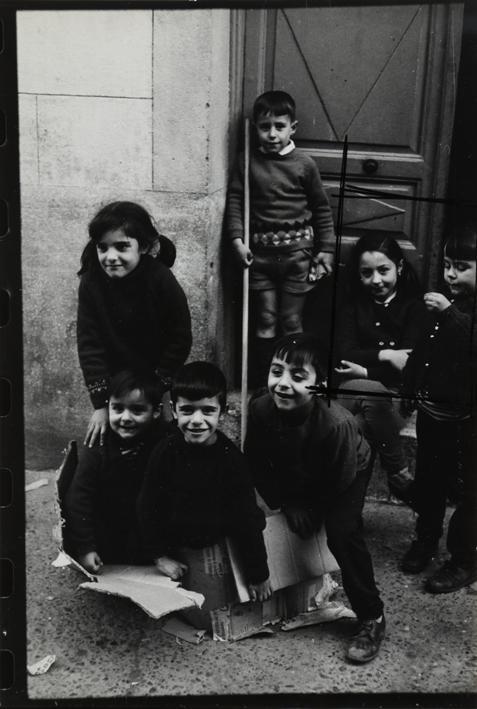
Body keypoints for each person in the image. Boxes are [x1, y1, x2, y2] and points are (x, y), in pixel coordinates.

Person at [245, 334, 385, 663]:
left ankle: (372, 617)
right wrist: (286, 503)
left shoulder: (337, 425)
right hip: (301, 465)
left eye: (297, 376)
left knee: (341, 531)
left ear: (320, 385)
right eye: (276, 371)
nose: (282, 383)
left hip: (348, 469)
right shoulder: (261, 406)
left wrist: (313, 509)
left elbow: (339, 479)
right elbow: (255, 462)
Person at [137, 361, 271, 603]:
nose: (197, 420)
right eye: (187, 410)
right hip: (176, 541)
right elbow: (147, 505)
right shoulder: (165, 450)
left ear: (222, 410)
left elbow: (247, 520)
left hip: (216, 537)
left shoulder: (231, 460)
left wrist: (258, 574)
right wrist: (159, 557)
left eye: (207, 410)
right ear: (174, 410)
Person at [226, 90, 336, 383]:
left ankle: (296, 377)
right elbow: (235, 200)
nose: (272, 134)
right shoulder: (246, 161)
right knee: (265, 318)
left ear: (293, 128)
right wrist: (237, 240)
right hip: (259, 256)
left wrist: (326, 249)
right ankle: (265, 383)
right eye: (265, 127)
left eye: (279, 126)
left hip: (296, 256)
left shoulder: (304, 163)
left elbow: (321, 208)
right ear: (255, 129)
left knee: (290, 320)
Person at [400, 222, 477, 591]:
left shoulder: (457, 310)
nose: (450, 273)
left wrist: (447, 313)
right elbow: (423, 352)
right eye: (447, 264)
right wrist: (409, 387)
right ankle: (425, 539)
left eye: (462, 266)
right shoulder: (442, 306)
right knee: (430, 482)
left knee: (469, 492)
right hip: (434, 414)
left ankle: (464, 559)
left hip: (467, 422)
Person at [77, 201, 192, 447]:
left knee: (161, 442)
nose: (110, 257)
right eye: (102, 247)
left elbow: (179, 336)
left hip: (155, 378)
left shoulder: (160, 279)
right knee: (110, 441)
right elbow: (89, 344)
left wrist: (158, 386)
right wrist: (101, 404)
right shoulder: (91, 283)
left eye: (121, 247)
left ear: (144, 247)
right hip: (115, 384)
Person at [334, 233, 426, 504]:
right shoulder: (352, 307)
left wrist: (364, 372)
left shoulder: (415, 309)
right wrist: (387, 355)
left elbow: (409, 366)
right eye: (367, 273)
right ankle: (398, 472)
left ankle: (349, 513)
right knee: (370, 395)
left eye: (383, 270)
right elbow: (343, 355)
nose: (376, 280)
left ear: (398, 267)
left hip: (395, 399)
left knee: (359, 428)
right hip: (351, 394)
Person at [64, 370, 166, 573]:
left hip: (147, 528)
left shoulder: (164, 441)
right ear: (107, 407)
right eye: (117, 408)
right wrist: (86, 548)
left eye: (137, 411)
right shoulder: (99, 446)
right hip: (109, 529)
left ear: (156, 412)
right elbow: (78, 498)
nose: (125, 418)